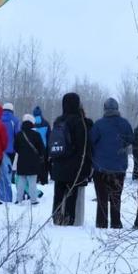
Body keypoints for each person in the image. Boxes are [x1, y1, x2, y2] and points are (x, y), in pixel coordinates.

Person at [90, 97, 135, 229]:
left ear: (105, 109)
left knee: (102, 199)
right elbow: (131, 139)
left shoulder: (98, 124)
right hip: (118, 167)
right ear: (117, 109)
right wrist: (121, 146)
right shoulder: (124, 123)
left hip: (100, 168)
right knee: (116, 197)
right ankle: (116, 223)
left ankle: (101, 224)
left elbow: (91, 141)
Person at [50, 92, 90, 225]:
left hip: (58, 163)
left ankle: (56, 218)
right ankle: (68, 220)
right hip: (73, 166)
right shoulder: (79, 122)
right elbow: (82, 146)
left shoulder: (58, 121)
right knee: (71, 195)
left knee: (58, 194)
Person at [14, 114, 46, 203]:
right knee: (32, 182)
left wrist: (22, 152)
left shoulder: (19, 134)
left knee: (21, 181)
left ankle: (19, 199)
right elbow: (41, 148)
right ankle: (33, 200)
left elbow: (15, 147)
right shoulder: (36, 134)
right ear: (32, 123)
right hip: (33, 161)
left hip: (21, 161)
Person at [0, 103, 18, 203]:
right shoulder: (15, 120)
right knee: (9, 173)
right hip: (10, 150)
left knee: (0, 173)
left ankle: (1, 194)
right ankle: (8, 196)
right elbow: (18, 134)